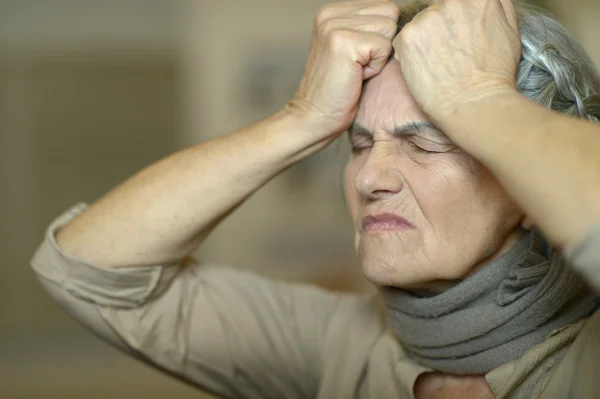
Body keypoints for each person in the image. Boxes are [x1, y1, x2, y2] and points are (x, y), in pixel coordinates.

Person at [31, 0, 600, 397]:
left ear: (525, 185)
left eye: (425, 143)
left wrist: (478, 98)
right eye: (358, 144)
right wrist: (301, 119)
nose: (368, 176)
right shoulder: (334, 346)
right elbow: (87, 269)